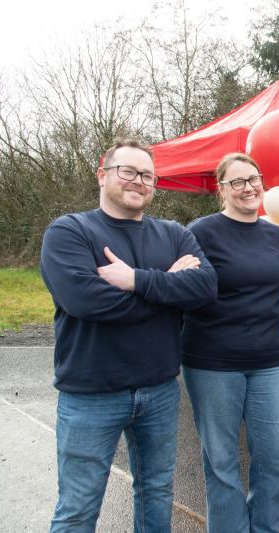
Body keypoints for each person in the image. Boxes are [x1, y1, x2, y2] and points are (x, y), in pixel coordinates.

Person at [39, 138, 217, 532]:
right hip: (90, 394)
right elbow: (87, 302)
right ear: (102, 175)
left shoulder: (173, 234)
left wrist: (135, 280)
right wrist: (169, 287)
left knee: (156, 492)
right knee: (79, 507)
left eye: (147, 175)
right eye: (128, 171)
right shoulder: (70, 232)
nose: (138, 181)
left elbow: (205, 288)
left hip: (158, 389)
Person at [181, 153, 279, 533]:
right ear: (222, 189)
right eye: (237, 182)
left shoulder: (274, 234)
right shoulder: (200, 232)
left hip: (270, 361)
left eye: (254, 179)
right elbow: (181, 286)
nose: (248, 188)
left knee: (277, 458)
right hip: (213, 362)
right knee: (222, 463)